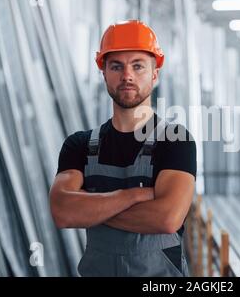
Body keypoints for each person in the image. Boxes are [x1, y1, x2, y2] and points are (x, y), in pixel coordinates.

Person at [49, 20, 196, 276]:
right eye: (116, 66)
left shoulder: (176, 141)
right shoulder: (79, 145)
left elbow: (167, 218)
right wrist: (133, 196)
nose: (127, 75)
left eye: (138, 66)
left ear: (155, 73)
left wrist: (89, 209)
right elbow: (62, 212)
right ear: (103, 72)